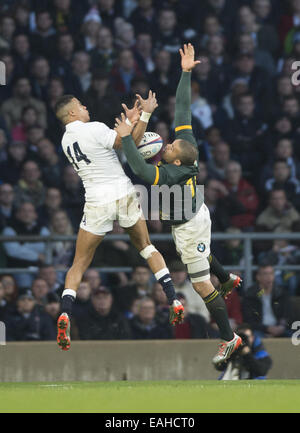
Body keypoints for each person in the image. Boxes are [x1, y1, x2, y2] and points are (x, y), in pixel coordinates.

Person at [117, 43, 242, 365]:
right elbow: (183, 111)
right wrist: (186, 73)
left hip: (189, 227)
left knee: (200, 284)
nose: (167, 143)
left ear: (174, 159)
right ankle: (227, 278)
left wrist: (128, 138)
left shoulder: (171, 174)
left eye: (169, 146)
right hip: (195, 216)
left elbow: (140, 170)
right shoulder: (189, 150)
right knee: (202, 254)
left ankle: (229, 337)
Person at [54, 90, 184, 350]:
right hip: (122, 193)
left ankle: (65, 312)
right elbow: (128, 144)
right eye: (80, 104)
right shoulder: (93, 128)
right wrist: (143, 116)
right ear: (71, 112)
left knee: (79, 263)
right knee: (147, 247)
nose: (85, 106)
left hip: (95, 201)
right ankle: (173, 299)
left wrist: (131, 124)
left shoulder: (66, 142)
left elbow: (125, 139)